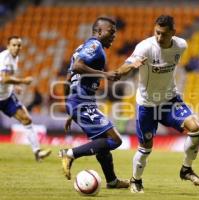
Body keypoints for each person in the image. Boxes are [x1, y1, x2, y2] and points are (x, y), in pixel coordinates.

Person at [116, 15, 199, 193]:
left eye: (163, 34)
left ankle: (186, 170)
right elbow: (121, 70)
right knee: (145, 148)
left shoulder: (181, 45)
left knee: (195, 128)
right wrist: (132, 65)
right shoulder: (145, 47)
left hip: (169, 100)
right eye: (157, 32)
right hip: (147, 105)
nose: (159, 37)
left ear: (173, 32)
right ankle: (136, 180)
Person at [59, 17, 144, 189]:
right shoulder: (94, 46)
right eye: (110, 32)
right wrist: (104, 74)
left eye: (115, 33)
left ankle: (112, 181)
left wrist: (70, 109)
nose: (114, 36)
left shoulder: (82, 47)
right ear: (98, 32)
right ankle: (69, 154)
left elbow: (68, 78)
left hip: (79, 102)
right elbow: (77, 67)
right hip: (82, 102)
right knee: (114, 140)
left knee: (102, 143)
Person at [0, 36, 51, 161]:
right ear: (8, 46)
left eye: (18, 45)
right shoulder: (4, 58)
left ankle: (37, 152)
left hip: (6, 97)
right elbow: (5, 78)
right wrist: (22, 81)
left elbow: (6, 78)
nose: (16, 48)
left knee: (26, 119)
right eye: (14, 45)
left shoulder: (15, 57)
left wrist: (14, 86)